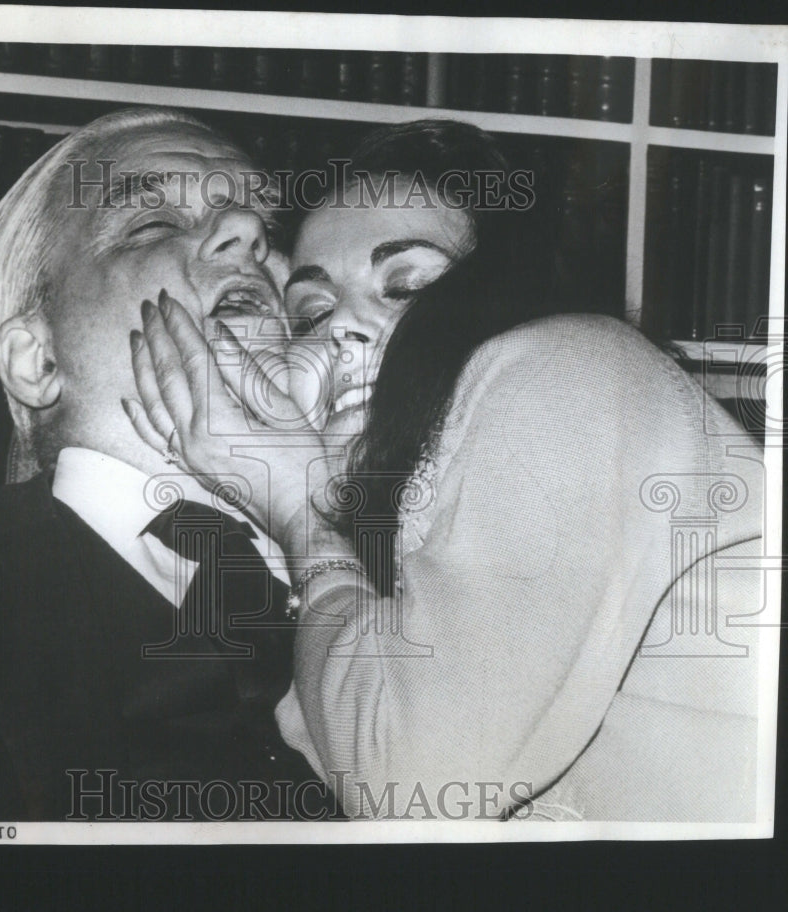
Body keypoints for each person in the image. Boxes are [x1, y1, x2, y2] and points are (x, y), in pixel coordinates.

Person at [128, 119, 766, 822]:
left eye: (403, 285)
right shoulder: (417, 520)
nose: (340, 327)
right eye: (310, 312)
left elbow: (410, 782)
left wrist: (301, 514)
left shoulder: (571, 370)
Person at [0, 108, 330, 822]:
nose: (248, 236)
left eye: (263, 228)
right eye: (150, 225)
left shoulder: (404, 560)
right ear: (37, 360)